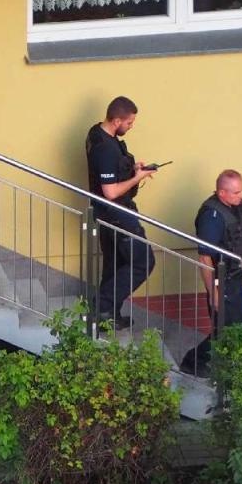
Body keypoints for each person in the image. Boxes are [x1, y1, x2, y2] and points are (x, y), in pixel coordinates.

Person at [84, 96, 158, 329]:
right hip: (116, 213)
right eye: (129, 123)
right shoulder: (104, 148)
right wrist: (138, 177)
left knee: (115, 264)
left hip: (106, 213)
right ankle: (100, 307)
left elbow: (114, 173)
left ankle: (108, 317)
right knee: (143, 261)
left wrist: (132, 169)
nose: (131, 127)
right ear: (116, 120)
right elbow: (110, 191)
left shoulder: (99, 133)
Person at [182, 169, 242, 374]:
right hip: (221, 281)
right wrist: (213, 294)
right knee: (224, 330)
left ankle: (234, 367)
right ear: (221, 193)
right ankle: (193, 362)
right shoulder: (212, 216)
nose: (240, 196)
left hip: (235, 278)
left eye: (241, 191)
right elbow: (205, 257)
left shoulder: (237, 207)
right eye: (235, 192)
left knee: (241, 325)